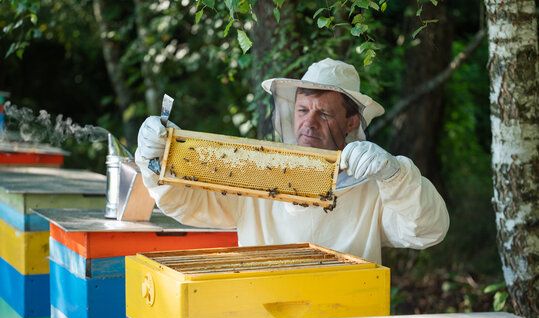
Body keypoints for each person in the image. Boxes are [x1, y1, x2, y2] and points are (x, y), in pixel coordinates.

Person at [135, 58, 449, 264]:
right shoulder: (256, 171)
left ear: (352, 122)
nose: (308, 122)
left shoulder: (373, 187)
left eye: (324, 113)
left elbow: (427, 230)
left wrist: (397, 176)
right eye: (302, 110)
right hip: (263, 317)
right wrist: (155, 160)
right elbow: (185, 203)